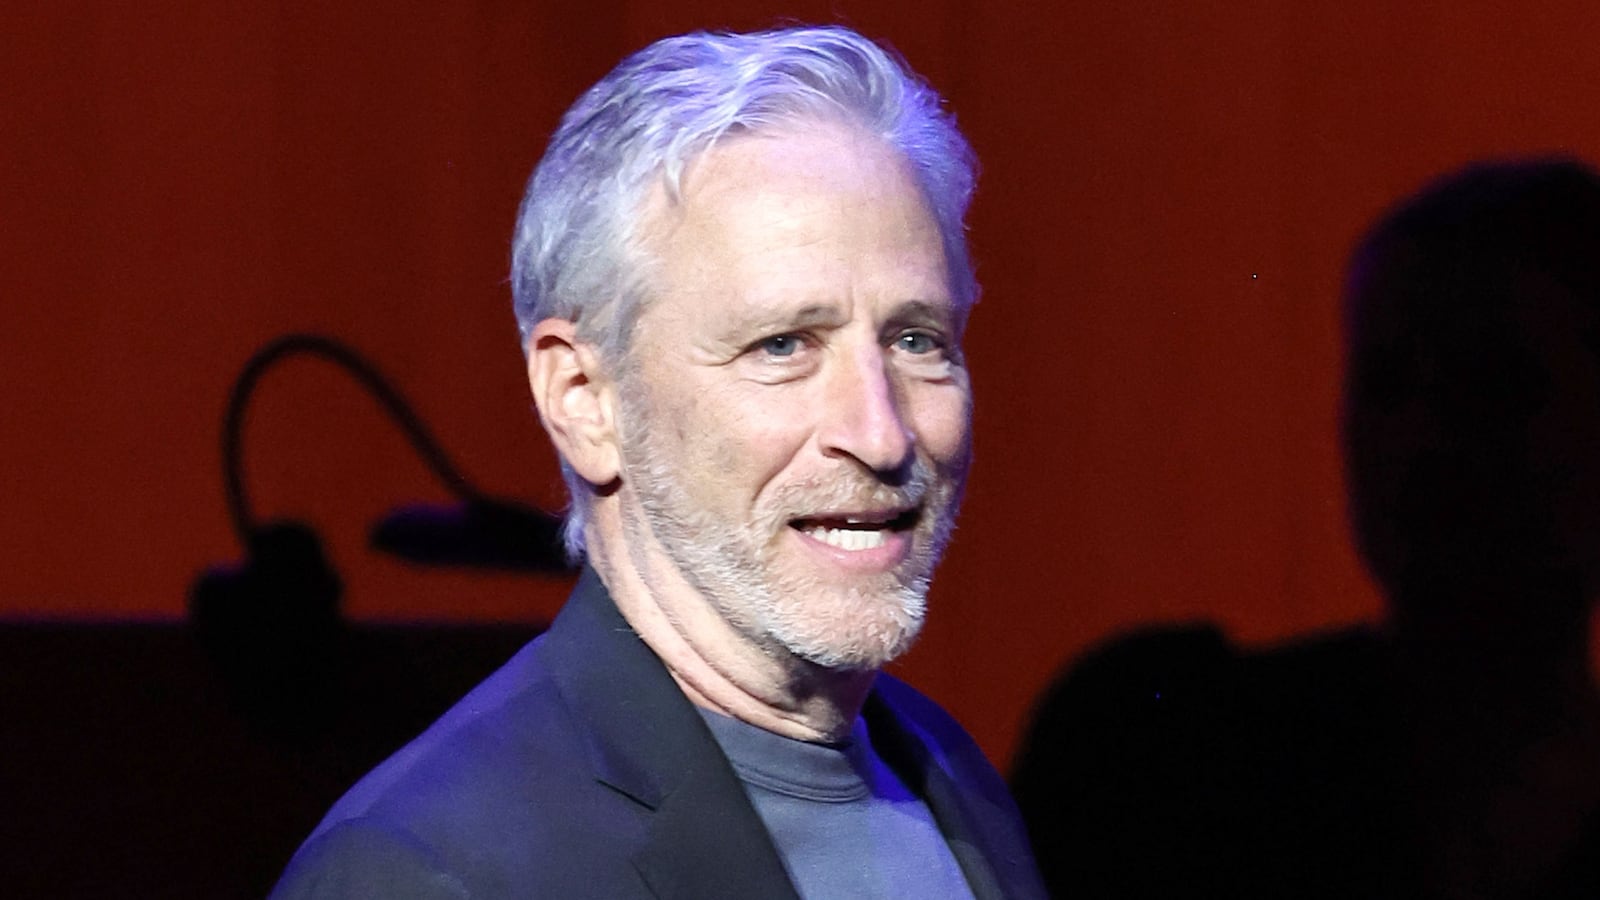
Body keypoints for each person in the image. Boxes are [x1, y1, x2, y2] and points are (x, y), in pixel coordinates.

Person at [271, 24, 1046, 900]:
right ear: (584, 400)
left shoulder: (955, 782)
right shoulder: (428, 872)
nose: (883, 435)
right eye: (783, 344)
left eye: (916, 340)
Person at [1011, 159, 1600, 898]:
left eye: (1493, 383)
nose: (1420, 438)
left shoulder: (1168, 748)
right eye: (1388, 384)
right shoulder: (1157, 753)